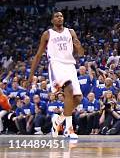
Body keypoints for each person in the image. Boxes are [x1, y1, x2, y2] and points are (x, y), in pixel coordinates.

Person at [29, 11, 84, 139]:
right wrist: (31, 75)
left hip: (70, 65)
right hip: (56, 65)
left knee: (78, 99)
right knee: (68, 90)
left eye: (61, 16)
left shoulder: (71, 32)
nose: (59, 18)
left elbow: (80, 53)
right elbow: (38, 55)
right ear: (52, 20)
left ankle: (58, 121)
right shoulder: (47, 34)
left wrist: (79, 46)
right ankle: (69, 129)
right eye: (56, 16)